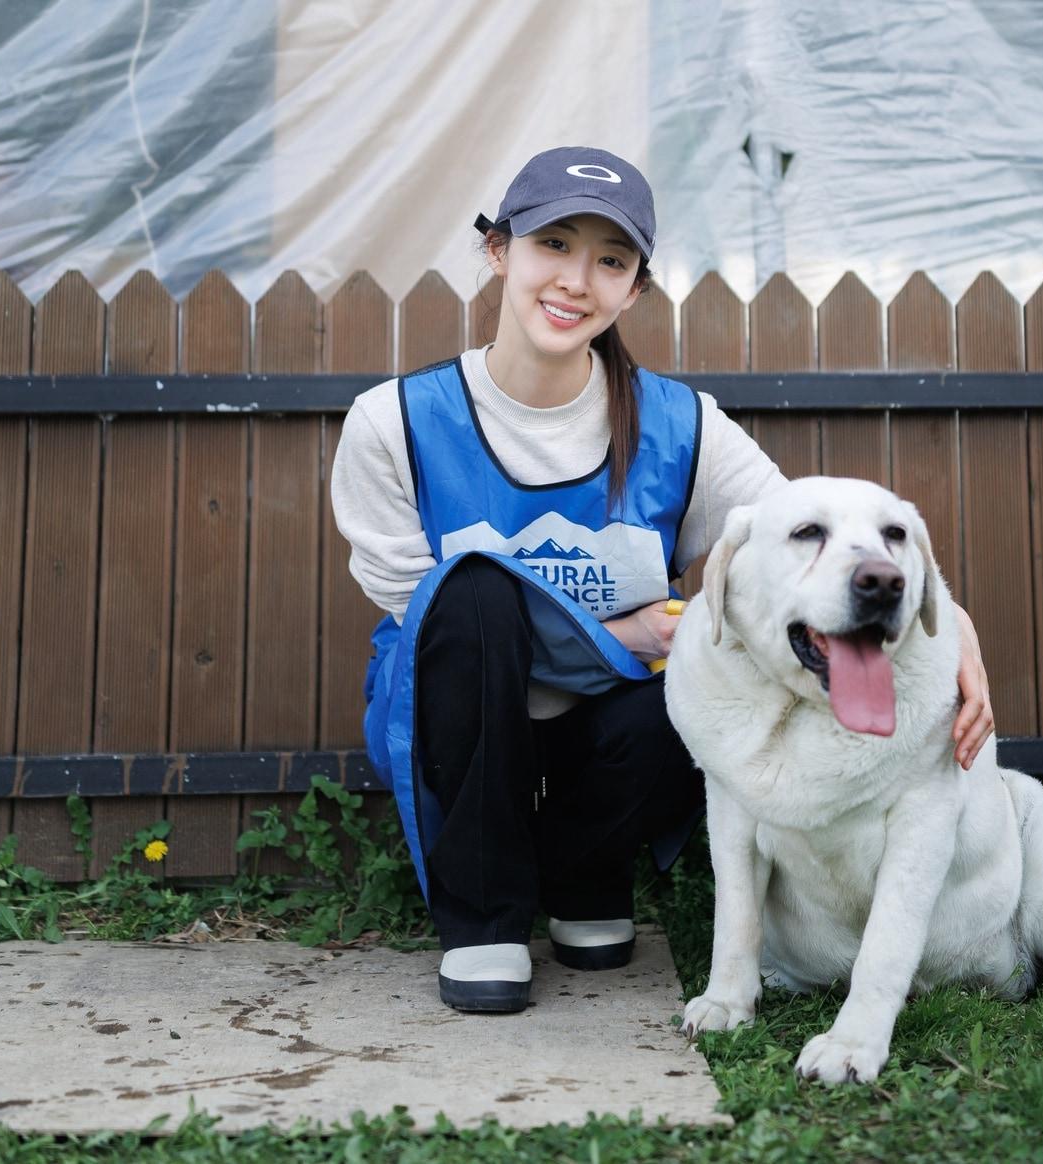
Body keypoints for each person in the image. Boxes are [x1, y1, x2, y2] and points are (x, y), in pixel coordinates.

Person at [329, 146, 995, 1014]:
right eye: (553, 245)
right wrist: (622, 633)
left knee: (710, 663)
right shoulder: (395, 422)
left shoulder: (682, 425)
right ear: (499, 251)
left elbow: (802, 544)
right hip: (461, 713)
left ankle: (585, 873)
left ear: (635, 289)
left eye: (611, 260)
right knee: (474, 594)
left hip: (608, 729)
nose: (577, 280)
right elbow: (425, 625)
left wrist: (959, 634)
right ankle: (486, 909)